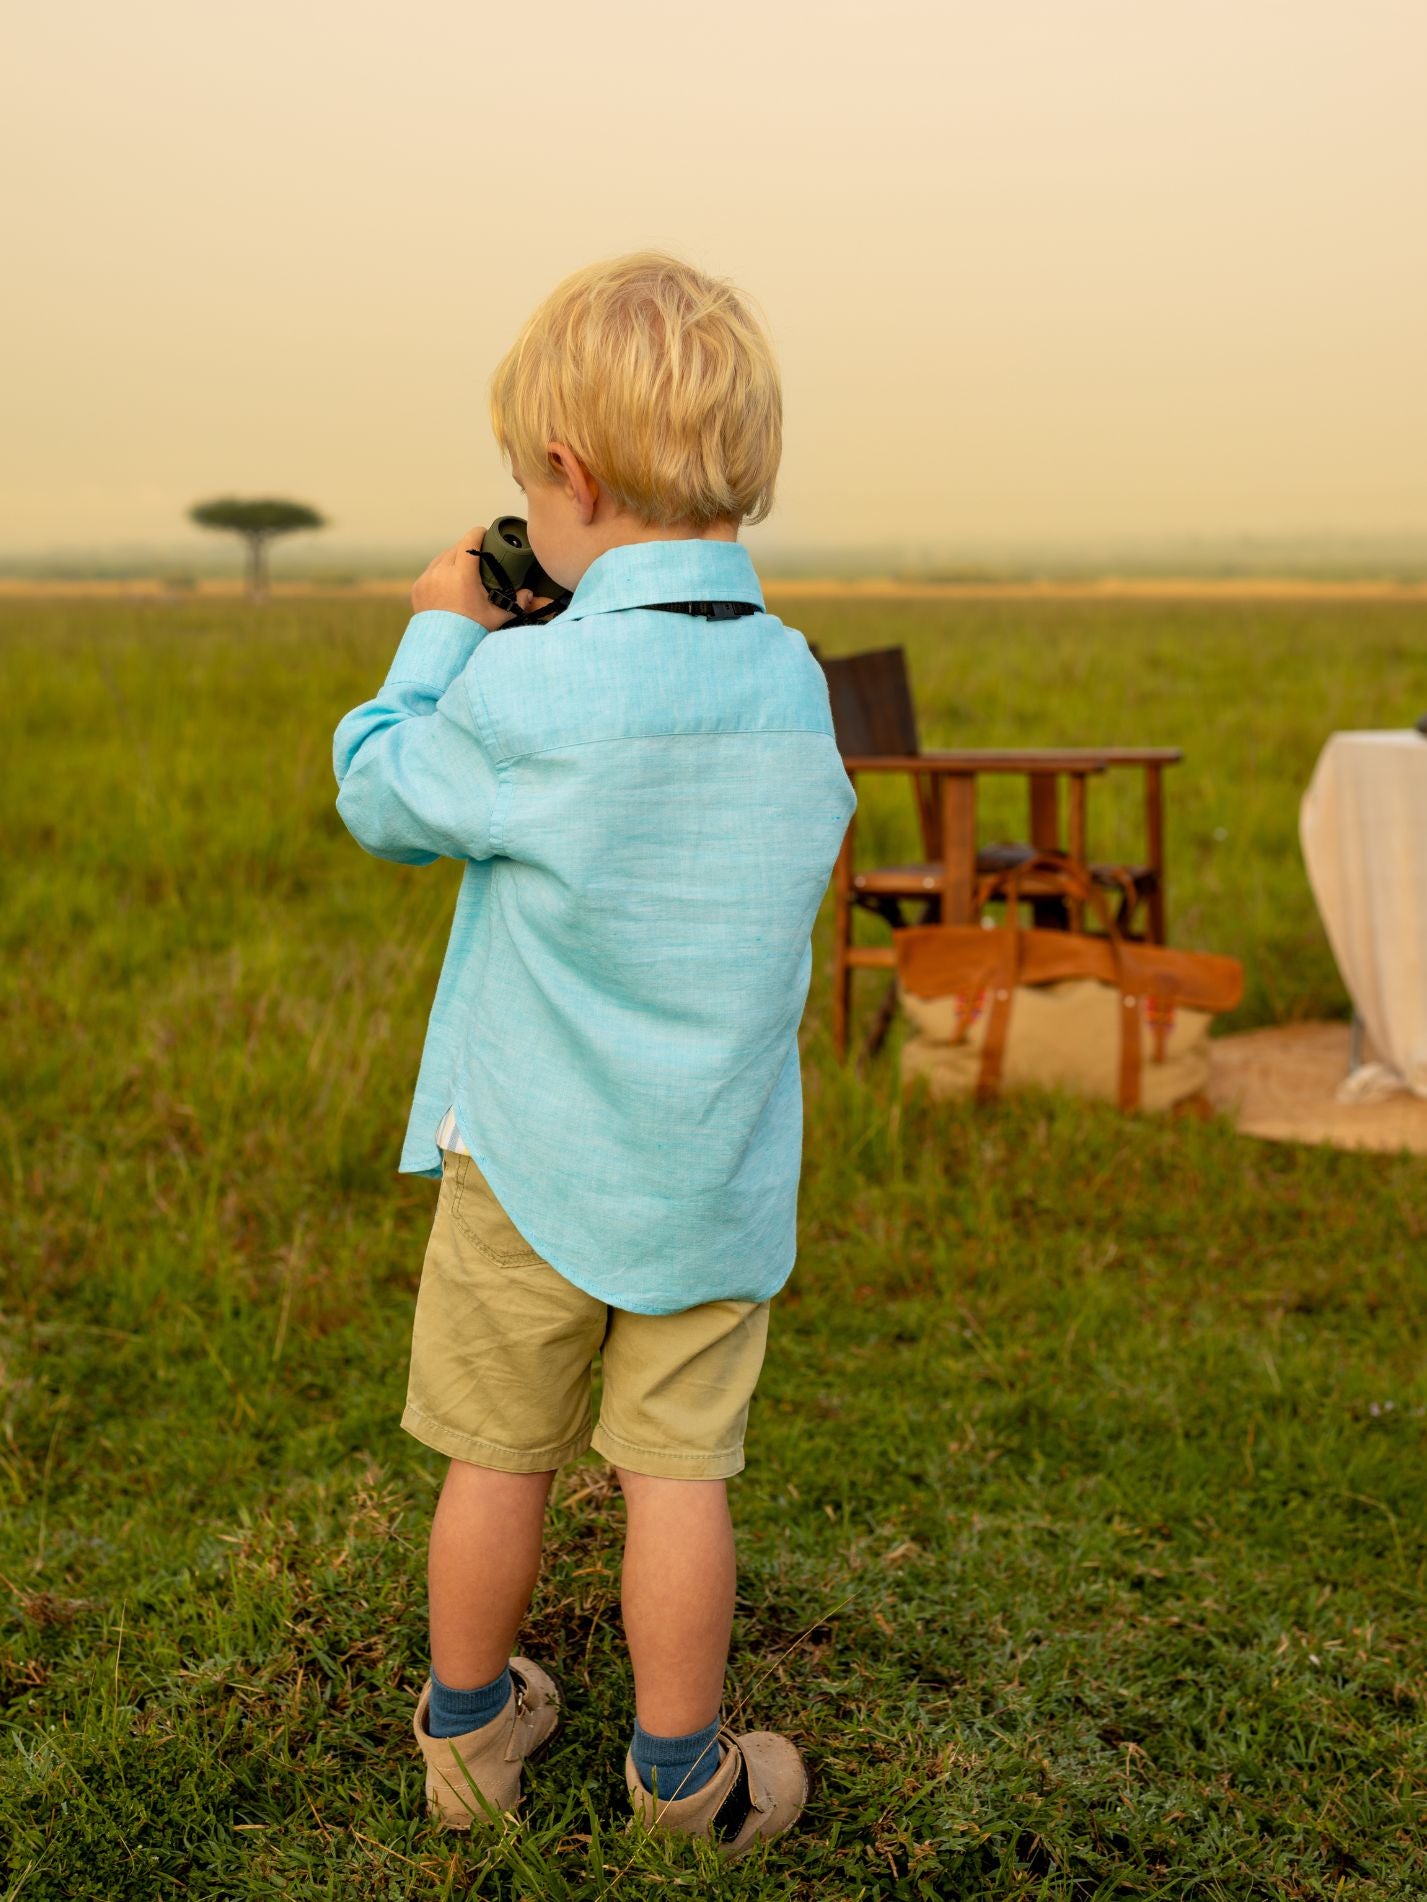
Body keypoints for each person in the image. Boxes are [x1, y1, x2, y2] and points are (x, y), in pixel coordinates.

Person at [331, 250, 856, 1858]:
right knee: (676, 1473)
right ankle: (683, 1776)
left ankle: (474, 1733)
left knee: (499, 1455)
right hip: (705, 1168)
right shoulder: (790, 681)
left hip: (527, 1164)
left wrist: (441, 634)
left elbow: (377, 787)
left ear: (566, 475)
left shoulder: (525, 687)